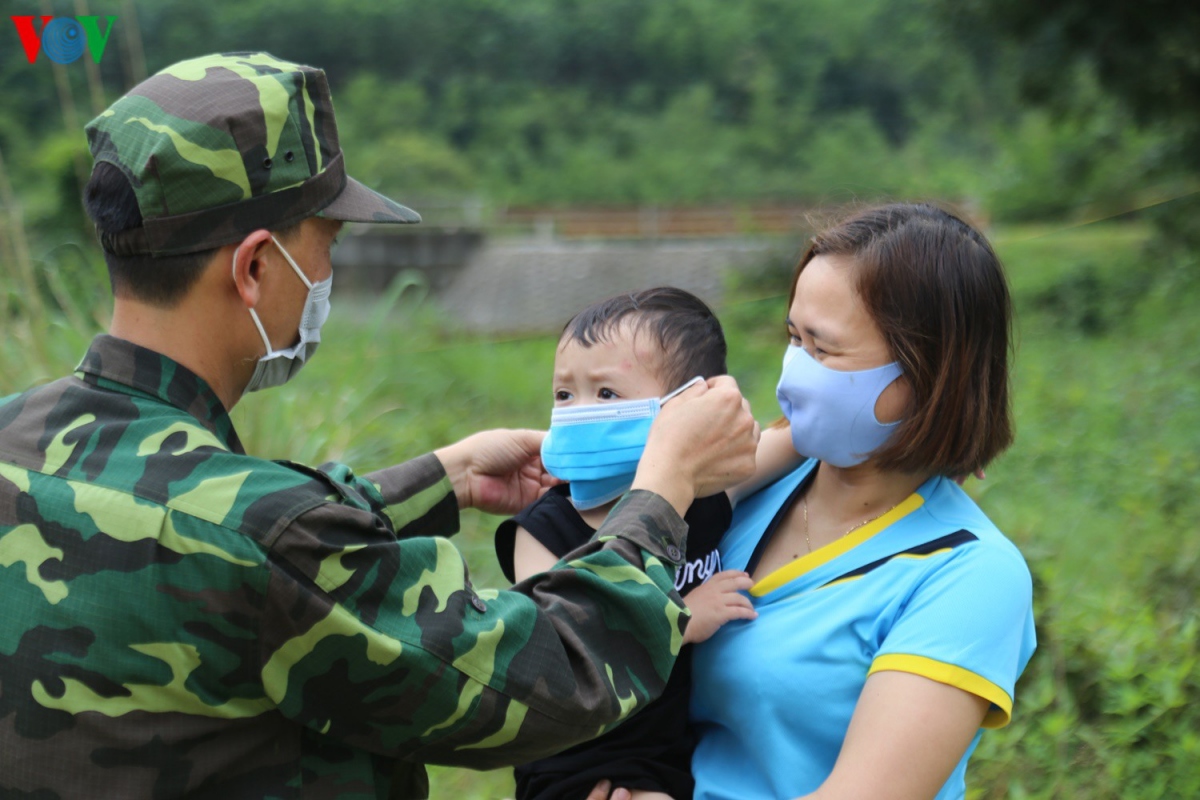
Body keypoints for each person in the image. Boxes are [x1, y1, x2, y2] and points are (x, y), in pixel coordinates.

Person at [0, 53, 760, 799]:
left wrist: (445, 478)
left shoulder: (16, 436)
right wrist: (663, 486)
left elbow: (240, 531)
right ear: (255, 267)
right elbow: (556, 674)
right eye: (325, 246)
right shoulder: (262, 533)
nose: (326, 276)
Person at [687, 203, 1037, 800]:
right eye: (794, 338)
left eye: (824, 351)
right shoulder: (750, 490)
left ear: (928, 374)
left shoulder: (969, 576)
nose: (794, 371)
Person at [493, 288, 799, 800]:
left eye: (606, 394)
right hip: (582, 761)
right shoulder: (543, 530)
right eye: (565, 395)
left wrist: (938, 437)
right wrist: (677, 619)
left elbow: (803, 437)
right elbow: (554, 656)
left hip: (673, 749)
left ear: (691, 409)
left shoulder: (708, 489)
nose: (577, 413)